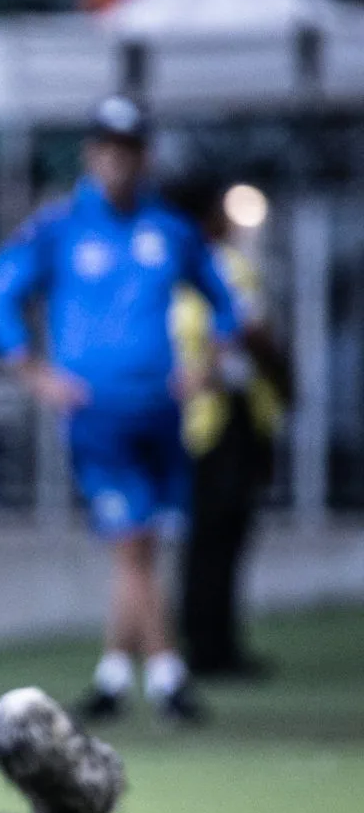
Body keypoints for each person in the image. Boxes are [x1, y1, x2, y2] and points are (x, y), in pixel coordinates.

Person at [0, 96, 240, 724]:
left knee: (144, 546)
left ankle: (114, 676)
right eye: (107, 147)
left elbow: (226, 300)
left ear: (142, 155)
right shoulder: (60, 226)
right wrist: (34, 372)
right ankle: (170, 674)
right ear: (92, 154)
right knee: (134, 543)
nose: (117, 160)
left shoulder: (170, 230)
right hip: (99, 414)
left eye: (129, 148)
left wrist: (205, 368)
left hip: (161, 410)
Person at [166, 179, 288, 679]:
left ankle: (206, 643)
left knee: (209, 538)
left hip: (205, 419)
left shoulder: (171, 268)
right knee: (218, 537)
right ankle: (211, 647)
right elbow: (250, 333)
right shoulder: (217, 265)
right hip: (220, 420)